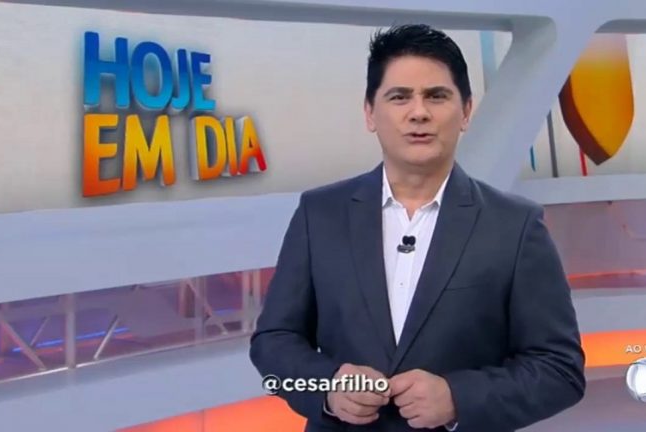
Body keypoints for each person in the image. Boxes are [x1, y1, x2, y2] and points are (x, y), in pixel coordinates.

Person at [249, 23, 586, 431]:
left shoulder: (516, 226)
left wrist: (457, 398)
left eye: (436, 96)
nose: (419, 112)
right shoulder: (320, 214)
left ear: (466, 112)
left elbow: (559, 369)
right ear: (370, 113)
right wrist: (328, 387)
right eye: (399, 97)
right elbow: (273, 341)